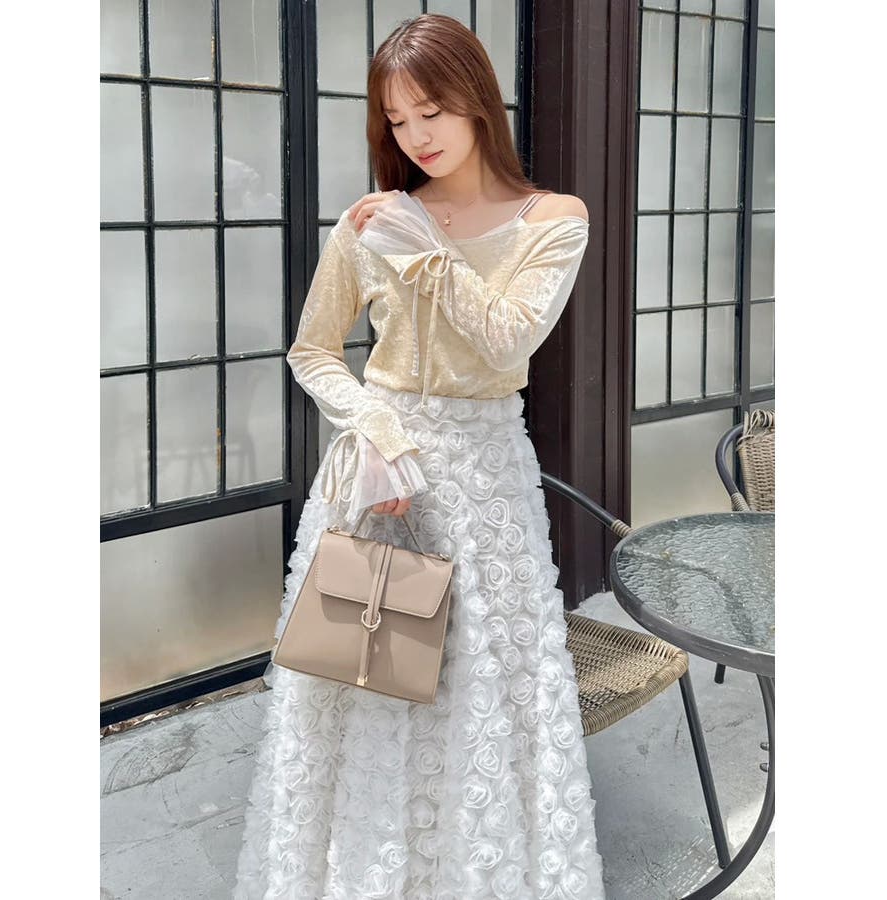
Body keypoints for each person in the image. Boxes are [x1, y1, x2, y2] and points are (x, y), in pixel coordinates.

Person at [233, 13, 605, 900]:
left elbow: (508, 340)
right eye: (396, 120)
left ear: (477, 99)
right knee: (361, 678)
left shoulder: (553, 219)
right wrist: (375, 429)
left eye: (431, 111)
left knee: (481, 694)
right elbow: (313, 350)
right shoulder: (371, 223)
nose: (415, 137)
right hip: (378, 477)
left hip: (485, 487)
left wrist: (427, 252)